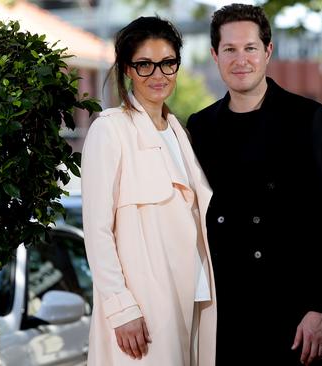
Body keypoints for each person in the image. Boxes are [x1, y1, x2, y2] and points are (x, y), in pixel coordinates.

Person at [186, 4, 322, 366]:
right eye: (229, 49)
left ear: (267, 51)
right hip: (223, 315)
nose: (240, 59)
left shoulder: (309, 120)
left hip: (290, 318)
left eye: (250, 48)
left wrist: (321, 309)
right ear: (214, 55)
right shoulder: (200, 127)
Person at [81, 16, 217, 366]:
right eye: (145, 65)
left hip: (193, 301)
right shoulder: (110, 130)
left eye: (167, 63)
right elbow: (97, 230)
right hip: (143, 311)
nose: (158, 75)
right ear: (128, 68)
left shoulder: (179, 133)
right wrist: (121, 307)